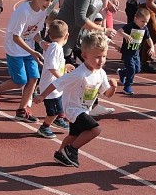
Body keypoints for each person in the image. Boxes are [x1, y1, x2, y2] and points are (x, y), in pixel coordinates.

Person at [37, 31, 117, 168]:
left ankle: (60, 153)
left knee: (73, 135)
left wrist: (113, 88)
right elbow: (57, 82)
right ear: (85, 55)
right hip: (73, 109)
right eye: (97, 57)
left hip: (84, 110)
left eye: (104, 56)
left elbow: (106, 94)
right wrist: (42, 95)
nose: (101, 60)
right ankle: (71, 150)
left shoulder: (101, 73)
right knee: (95, 130)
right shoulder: (79, 73)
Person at [0, 0, 55, 122]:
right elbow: (16, 37)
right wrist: (33, 51)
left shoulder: (43, 13)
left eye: (51, 1)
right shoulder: (23, 11)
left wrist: (41, 42)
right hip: (15, 48)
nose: (48, 4)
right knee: (20, 81)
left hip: (28, 47)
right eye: (46, 0)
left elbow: (34, 32)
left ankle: (22, 110)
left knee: (34, 77)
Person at [37, 20, 72, 138]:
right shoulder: (55, 48)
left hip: (56, 86)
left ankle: (59, 119)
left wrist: (65, 67)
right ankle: (44, 127)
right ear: (67, 35)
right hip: (50, 87)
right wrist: (62, 78)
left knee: (61, 104)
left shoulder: (55, 47)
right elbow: (52, 67)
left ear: (50, 36)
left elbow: (55, 65)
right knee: (53, 111)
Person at [116, 7, 152, 96]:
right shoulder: (130, 26)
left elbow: (148, 39)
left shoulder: (145, 29)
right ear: (135, 18)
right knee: (131, 69)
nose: (145, 24)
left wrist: (152, 47)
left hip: (136, 53)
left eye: (146, 21)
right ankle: (127, 86)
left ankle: (122, 72)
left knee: (137, 69)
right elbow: (119, 31)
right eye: (142, 21)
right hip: (127, 52)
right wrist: (125, 35)